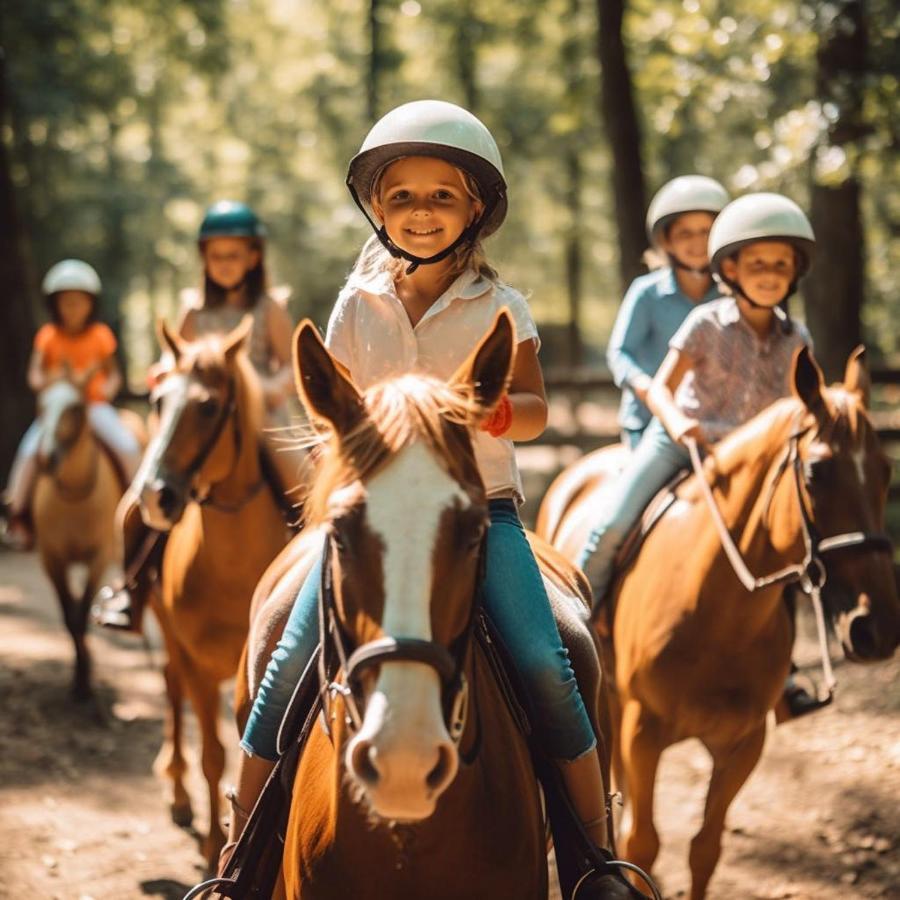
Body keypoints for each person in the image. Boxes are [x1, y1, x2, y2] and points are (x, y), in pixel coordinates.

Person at [223, 100, 620, 893]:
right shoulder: (355, 302)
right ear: (377, 208)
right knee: (282, 660)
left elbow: (534, 405)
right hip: (373, 513)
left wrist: (501, 410)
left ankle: (593, 859)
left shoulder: (503, 308)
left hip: (479, 512)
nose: (421, 211)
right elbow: (329, 402)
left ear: (476, 209)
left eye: (442, 195)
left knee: (554, 656)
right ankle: (239, 860)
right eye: (402, 195)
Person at [578, 192, 824, 719]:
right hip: (683, 442)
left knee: (784, 547)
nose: (769, 274)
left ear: (795, 272)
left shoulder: (795, 335)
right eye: (757, 264)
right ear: (730, 268)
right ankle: (573, 633)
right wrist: (676, 422)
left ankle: (787, 669)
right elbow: (663, 389)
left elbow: (792, 404)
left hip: (750, 459)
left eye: (781, 264)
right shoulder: (705, 323)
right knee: (611, 526)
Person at [93, 201, 301, 632]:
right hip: (205, 418)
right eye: (215, 256)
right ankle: (131, 589)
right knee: (139, 501)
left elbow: (290, 366)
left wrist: (263, 391)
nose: (224, 264)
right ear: (204, 259)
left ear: (254, 257)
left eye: (234, 255)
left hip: (262, 417)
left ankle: (320, 587)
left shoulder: (269, 308)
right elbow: (178, 361)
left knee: (309, 489)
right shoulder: (193, 310)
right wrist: (166, 375)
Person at [2, 260, 141, 550]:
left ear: (91, 304)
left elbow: (113, 373)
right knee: (29, 451)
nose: (72, 309)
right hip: (58, 409)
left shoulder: (100, 335)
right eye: (66, 303)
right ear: (55, 305)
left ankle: (138, 509)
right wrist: (50, 382)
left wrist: (107, 387)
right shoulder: (48, 336)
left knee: (127, 446)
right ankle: (17, 514)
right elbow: (35, 374)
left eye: (79, 302)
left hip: (94, 407)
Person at [608, 176, 729, 449]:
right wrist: (645, 386)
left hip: (713, 424)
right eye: (685, 233)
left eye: (706, 231)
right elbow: (619, 353)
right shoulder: (646, 293)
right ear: (667, 241)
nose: (698, 242)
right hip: (650, 422)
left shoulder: (730, 298)